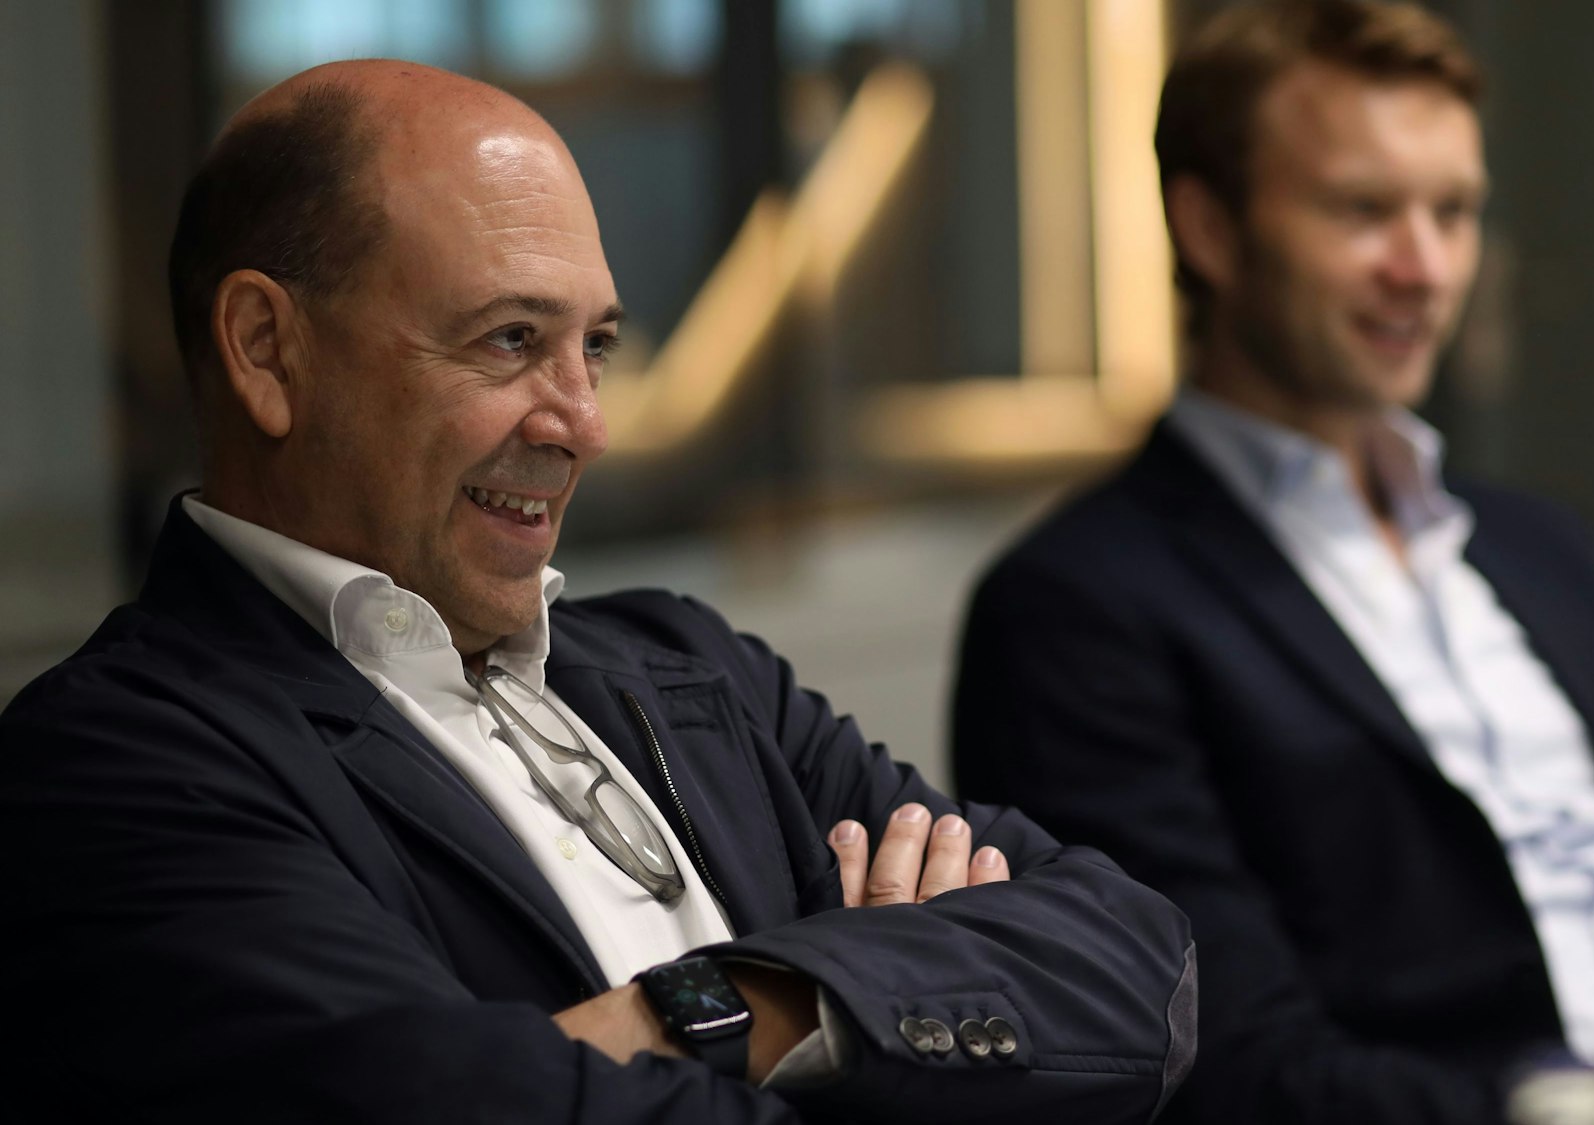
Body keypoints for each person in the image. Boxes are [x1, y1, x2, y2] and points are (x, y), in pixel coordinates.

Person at [0, 61, 1195, 1123]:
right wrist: (882, 1018)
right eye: (511, 340)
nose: (584, 423)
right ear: (268, 350)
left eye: (597, 346)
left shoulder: (693, 668)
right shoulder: (118, 762)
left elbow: (1142, 966)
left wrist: (714, 1008)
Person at [951, 2, 1594, 1123]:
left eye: (1451, 212)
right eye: (1363, 210)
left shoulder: (1536, 548)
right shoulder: (1075, 609)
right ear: (1206, 228)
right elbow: (1227, 1064)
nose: (1424, 266)